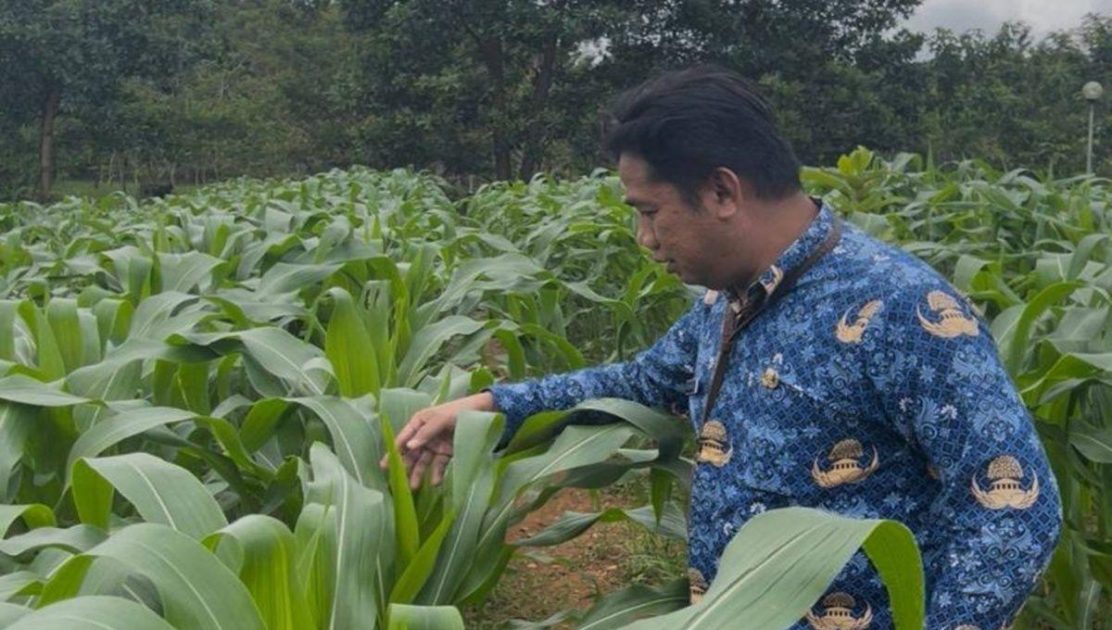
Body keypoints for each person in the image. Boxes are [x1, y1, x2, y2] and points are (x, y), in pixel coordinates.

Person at [389, 66, 1062, 629]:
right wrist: (492, 407)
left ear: (721, 191)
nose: (645, 241)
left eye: (649, 212)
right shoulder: (729, 300)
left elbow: (1014, 510)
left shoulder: (902, 309)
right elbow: (641, 383)